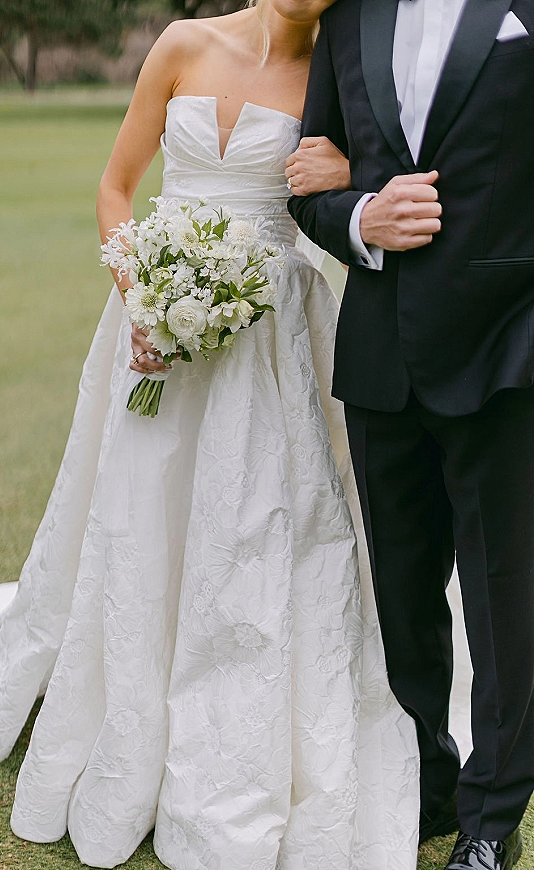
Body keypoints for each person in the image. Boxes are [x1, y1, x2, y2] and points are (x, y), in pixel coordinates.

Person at [0, 3, 421, 869]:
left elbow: (383, 181)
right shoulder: (183, 41)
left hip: (274, 343)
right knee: (139, 516)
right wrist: (141, 296)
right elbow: (115, 189)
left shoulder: (342, 73)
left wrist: (351, 164)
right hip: (151, 329)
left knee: (256, 533)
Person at [288, 1, 534, 869]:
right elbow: (309, 184)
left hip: (510, 353)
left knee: (506, 599)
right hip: (382, 358)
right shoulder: (346, 19)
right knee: (401, 594)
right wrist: (362, 221)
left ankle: (491, 821)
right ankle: (425, 780)